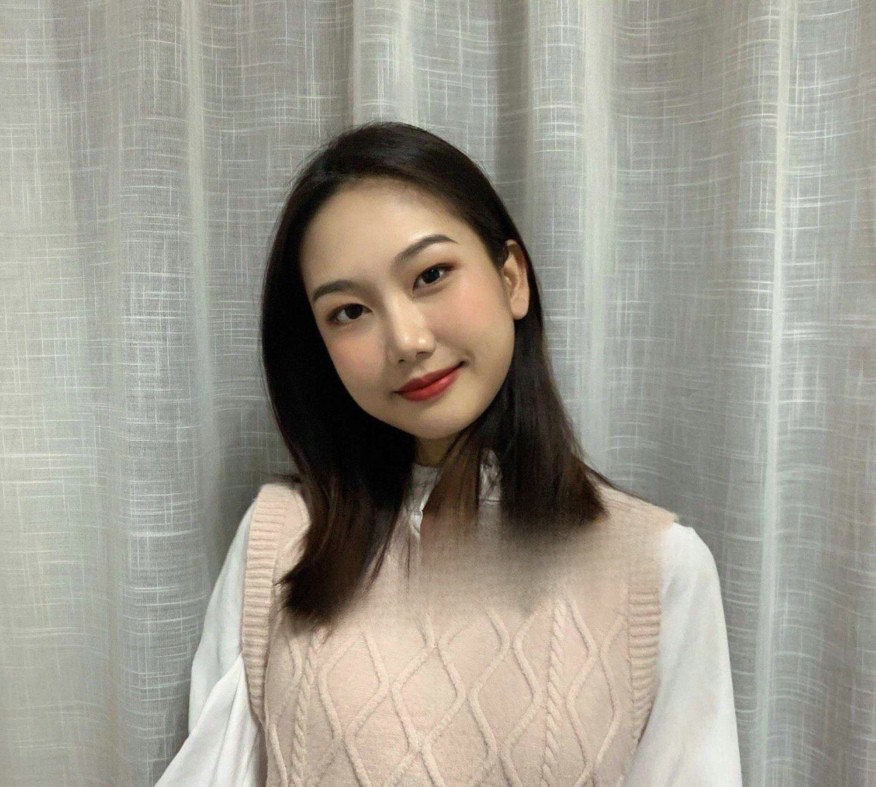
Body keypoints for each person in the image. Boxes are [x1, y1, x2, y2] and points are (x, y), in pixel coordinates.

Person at [156, 121, 742, 785]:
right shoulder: (280, 541)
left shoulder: (660, 568)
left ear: (512, 278)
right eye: (349, 311)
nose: (406, 340)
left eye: (430, 275)